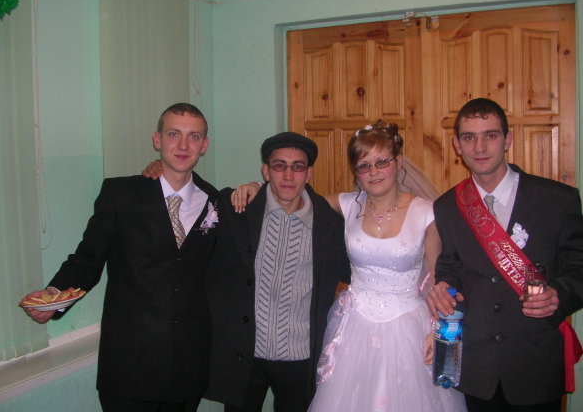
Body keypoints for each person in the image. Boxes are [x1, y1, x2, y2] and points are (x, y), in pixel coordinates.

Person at [235, 122, 466, 411]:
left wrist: (438, 331)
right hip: (354, 327)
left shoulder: (426, 212)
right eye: (364, 166)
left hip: (408, 328)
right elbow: (294, 195)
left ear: (398, 162)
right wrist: (258, 186)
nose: (373, 172)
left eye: (381, 162)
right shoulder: (346, 204)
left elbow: (437, 280)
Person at [20, 103, 220, 412]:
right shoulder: (120, 194)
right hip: (130, 364)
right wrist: (54, 296)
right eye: (173, 134)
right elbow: (87, 260)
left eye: (193, 136)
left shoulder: (215, 201)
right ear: (157, 139)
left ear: (204, 145)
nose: (183, 145)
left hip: (187, 366)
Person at [142, 132, 350, 411]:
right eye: (279, 166)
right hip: (244, 355)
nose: (288, 175)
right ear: (265, 171)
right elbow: (192, 197)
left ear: (309, 173)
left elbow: (359, 269)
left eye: (298, 166)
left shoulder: (330, 224)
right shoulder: (236, 209)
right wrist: (163, 169)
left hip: (302, 357)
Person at [427, 98, 583, 411]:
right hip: (477, 369)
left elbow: (578, 267)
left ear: (508, 139)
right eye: (469, 137)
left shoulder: (558, 200)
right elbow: (450, 268)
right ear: (457, 145)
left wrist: (559, 295)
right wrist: (443, 287)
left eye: (491, 135)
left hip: (535, 364)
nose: (480, 147)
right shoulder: (447, 206)